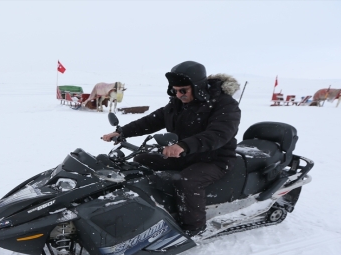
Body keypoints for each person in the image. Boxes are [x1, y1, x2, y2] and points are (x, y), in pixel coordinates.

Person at [101, 61, 241, 236]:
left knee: (187, 181)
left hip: (215, 159)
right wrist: (122, 132)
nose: (178, 94)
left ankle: (194, 227)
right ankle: (150, 207)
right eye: (175, 90)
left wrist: (183, 146)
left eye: (183, 90)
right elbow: (154, 120)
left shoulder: (224, 104)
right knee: (141, 160)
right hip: (185, 154)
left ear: (197, 86)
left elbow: (219, 134)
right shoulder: (178, 103)